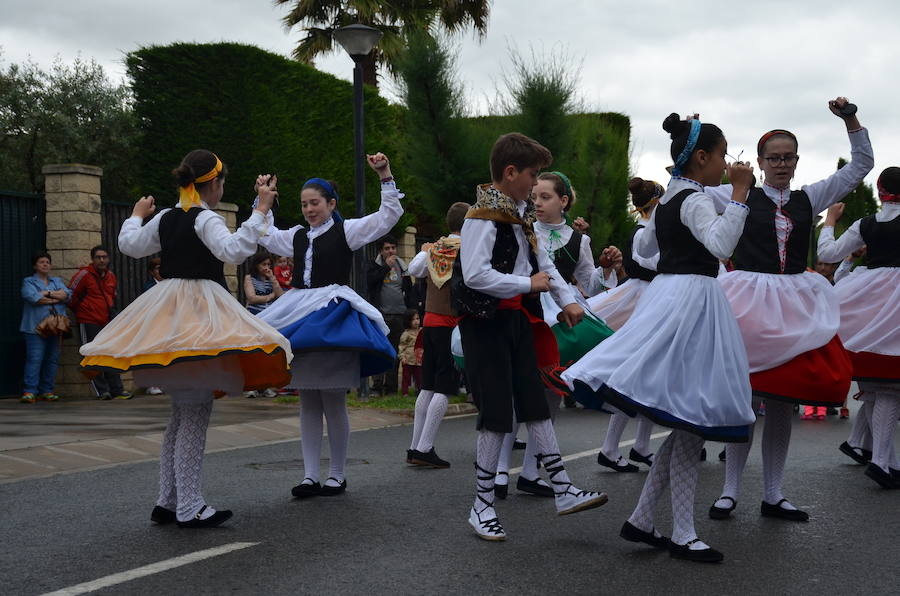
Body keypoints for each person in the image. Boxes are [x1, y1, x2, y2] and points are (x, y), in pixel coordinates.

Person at [563, 114, 756, 562]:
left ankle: (644, 517)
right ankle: (683, 533)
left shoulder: (670, 198)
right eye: (724, 155)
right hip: (695, 301)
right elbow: (721, 245)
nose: (727, 163)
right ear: (703, 157)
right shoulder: (694, 199)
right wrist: (742, 194)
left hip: (672, 296)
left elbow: (644, 252)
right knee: (694, 415)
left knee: (689, 416)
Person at [80, 149, 292, 528]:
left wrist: (134, 216)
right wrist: (259, 209)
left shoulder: (164, 217)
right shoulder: (204, 217)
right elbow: (233, 250)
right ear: (213, 185)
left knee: (181, 415)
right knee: (194, 413)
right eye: (222, 183)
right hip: (199, 317)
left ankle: (168, 500)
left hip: (171, 314)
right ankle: (190, 505)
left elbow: (129, 246)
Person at [706, 97, 873, 522]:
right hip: (747, 299)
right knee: (743, 399)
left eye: (788, 157)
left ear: (796, 161)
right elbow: (686, 189)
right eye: (773, 158)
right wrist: (692, 144)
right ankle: (728, 491)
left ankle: (775, 493)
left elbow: (860, 166)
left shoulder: (808, 198)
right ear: (759, 162)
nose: (781, 164)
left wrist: (850, 119)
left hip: (793, 301)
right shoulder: (733, 194)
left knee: (782, 402)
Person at [457, 132, 607, 542]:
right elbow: (475, 276)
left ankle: (562, 489)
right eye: (532, 174)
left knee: (535, 403)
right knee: (497, 415)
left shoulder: (520, 215)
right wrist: (529, 286)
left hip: (518, 321)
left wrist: (566, 300)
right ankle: (481, 505)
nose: (535, 183)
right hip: (485, 323)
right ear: (510, 173)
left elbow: (545, 266)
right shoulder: (482, 217)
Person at [255, 152, 402, 498]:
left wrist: (385, 175)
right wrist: (263, 200)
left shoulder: (346, 231)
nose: (309, 209)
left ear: (331, 203)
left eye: (315, 203)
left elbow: (387, 217)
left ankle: (336, 474)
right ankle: (309, 475)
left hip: (333, 316)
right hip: (301, 317)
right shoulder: (295, 236)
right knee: (307, 399)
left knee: (333, 399)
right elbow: (262, 232)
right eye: (305, 204)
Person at [817, 169, 900, 488]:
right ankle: (882, 461)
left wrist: (829, 221)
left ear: (880, 193)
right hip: (889, 309)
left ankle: (884, 459)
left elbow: (826, 254)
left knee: (881, 387)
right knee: (890, 387)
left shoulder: (866, 224)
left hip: (868, 301)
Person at [589, 177, 665, 472]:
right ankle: (611, 448)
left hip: (646, 297)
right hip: (647, 300)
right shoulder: (645, 233)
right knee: (636, 378)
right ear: (657, 202)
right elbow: (657, 264)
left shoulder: (647, 231)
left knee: (651, 378)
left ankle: (639, 446)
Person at [405, 202, 469, 469]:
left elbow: (414, 270)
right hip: (452, 325)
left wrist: (427, 249)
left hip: (430, 323)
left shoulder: (436, 247)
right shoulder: (468, 249)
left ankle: (415, 445)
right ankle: (425, 447)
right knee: (445, 385)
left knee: (428, 385)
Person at [69, 245, 132, 400]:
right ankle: (102, 391)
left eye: (104, 257)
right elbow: (71, 295)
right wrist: (83, 311)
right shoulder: (84, 274)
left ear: (108, 259)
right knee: (91, 354)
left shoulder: (111, 276)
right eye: (98, 257)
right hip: (88, 320)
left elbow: (112, 297)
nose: (102, 260)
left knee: (110, 354)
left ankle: (117, 389)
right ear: (92, 259)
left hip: (107, 321)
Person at [20, 251, 72, 403]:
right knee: (35, 359)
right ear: (35, 265)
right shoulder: (28, 281)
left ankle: (47, 390)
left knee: (52, 359)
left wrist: (46, 294)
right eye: (41, 262)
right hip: (34, 327)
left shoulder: (56, 280)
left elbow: (67, 295)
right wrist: (55, 297)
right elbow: (33, 298)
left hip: (55, 327)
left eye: (47, 262)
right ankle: (29, 391)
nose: (45, 264)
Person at [367, 235, 413, 395]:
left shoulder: (402, 266)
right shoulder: (375, 265)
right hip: (381, 315)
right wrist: (386, 267)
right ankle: (376, 386)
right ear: (381, 250)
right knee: (379, 351)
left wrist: (409, 311)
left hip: (399, 315)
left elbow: (409, 289)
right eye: (387, 248)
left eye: (393, 247)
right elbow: (370, 282)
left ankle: (391, 387)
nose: (391, 251)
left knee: (395, 352)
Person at [141, 257, 165, 396]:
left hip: (167, 323)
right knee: (153, 353)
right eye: (157, 268)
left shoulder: (170, 284)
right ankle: (153, 384)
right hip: (154, 324)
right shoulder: (149, 286)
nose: (160, 271)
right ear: (151, 272)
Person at [244, 250, 284, 315]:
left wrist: (272, 279)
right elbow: (252, 298)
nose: (267, 267)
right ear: (257, 265)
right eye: (264, 264)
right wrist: (270, 297)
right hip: (255, 313)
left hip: (270, 312)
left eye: (269, 264)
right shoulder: (249, 278)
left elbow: (280, 295)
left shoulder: (271, 277)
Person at [397, 309, 422, 396]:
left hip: (419, 360)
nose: (416, 321)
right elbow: (402, 346)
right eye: (413, 319)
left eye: (417, 319)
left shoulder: (422, 332)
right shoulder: (406, 334)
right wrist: (402, 357)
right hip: (408, 360)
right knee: (406, 377)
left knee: (419, 377)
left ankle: (419, 391)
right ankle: (405, 392)